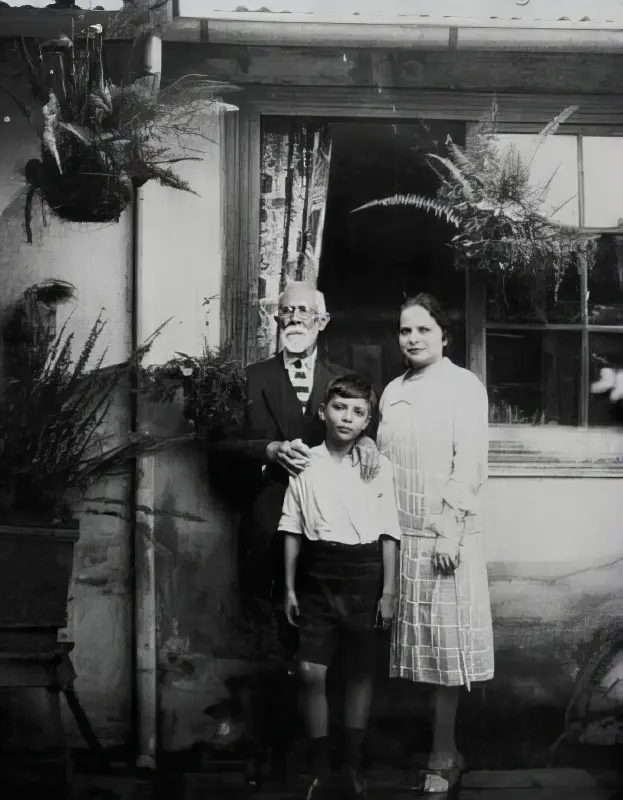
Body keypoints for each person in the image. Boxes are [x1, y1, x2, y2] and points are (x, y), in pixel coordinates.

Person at [377, 293, 494, 795]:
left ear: (444, 335)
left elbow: (469, 462)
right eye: (405, 330)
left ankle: (443, 754)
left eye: (423, 329)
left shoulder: (463, 386)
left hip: (447, 539)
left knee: (446, 652)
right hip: (403, 538)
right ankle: (435, 747)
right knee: (418, 652)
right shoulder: (392, 390)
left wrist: (449, 529)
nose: (413, 339)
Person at [239, 281, 379, 659]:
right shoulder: (252, 377)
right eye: (287, 311)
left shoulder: (342, 380)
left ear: (323, 320)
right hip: (269, 518)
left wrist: (367, 442)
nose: (295, 318)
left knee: (324, 623)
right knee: (270, 621)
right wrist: (268, 450)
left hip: (327, 525)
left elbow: (363, 427)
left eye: (305, 311)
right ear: (276, 319)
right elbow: (223, 441)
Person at [279, 374, 401, 799]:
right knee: (311, 670)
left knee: (359, 671)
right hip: (318, 571)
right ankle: (320, 769)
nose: (347, 417)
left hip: (364, 571)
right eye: (339, 407)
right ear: (322, 411)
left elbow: (389, 531)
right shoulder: (304, 461)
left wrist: (388, 592)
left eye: (358, 412)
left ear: (368, 422)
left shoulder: (377, 465)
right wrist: (290, 587)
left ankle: (352, 765)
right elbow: (292, 526)